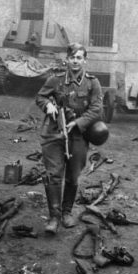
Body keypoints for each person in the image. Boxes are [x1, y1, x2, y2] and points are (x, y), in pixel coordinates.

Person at [35, 42, 103, 233]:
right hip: (55, 133)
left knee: (73, 177)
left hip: (78, 136)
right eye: (72, 57)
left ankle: (66, 212)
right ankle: (54, 217)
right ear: (67, 59)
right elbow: (40, 97)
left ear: (84, 60)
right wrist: (47, 105)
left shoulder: (92, 83)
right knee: (53, 175)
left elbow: (97, 109)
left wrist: (79, 122)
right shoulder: (55, 80)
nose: (75, 61)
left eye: (79, 57)